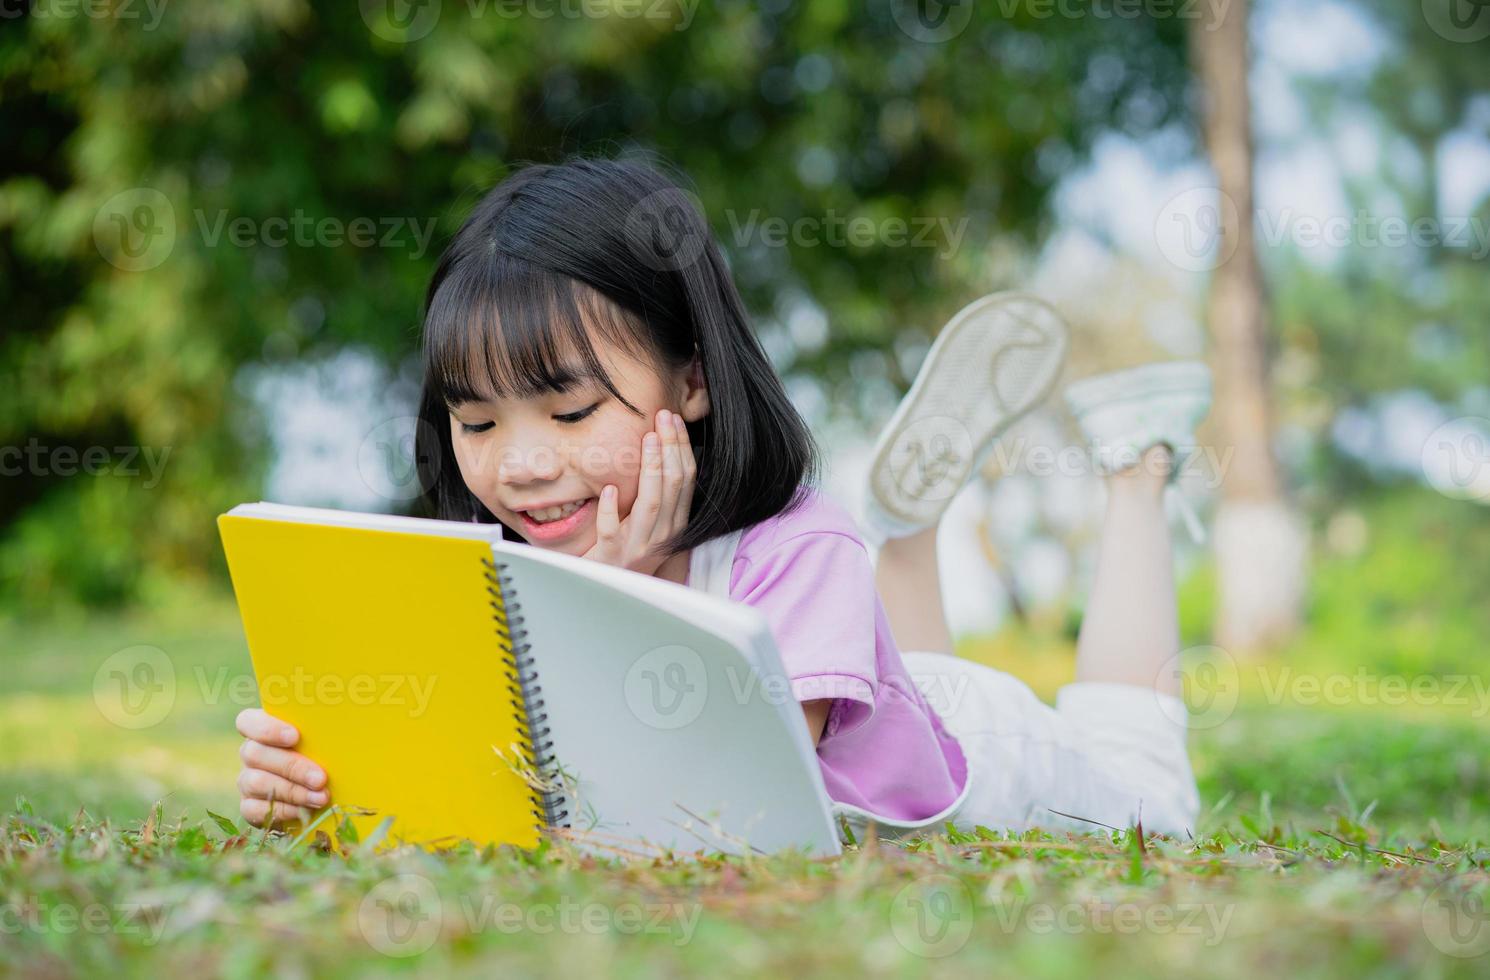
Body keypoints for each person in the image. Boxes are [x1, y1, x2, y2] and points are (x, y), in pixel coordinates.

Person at [234, 157, 1208, 839]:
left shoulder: (793, 548)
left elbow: (748, 794)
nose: (519, 465)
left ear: (691, 382)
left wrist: (607, 605)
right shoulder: (483, 567)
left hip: (979, 751)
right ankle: (907, 533)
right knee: (905, 684)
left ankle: (1135, 463)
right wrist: (317, 779)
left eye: (569, 410)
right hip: (893, 712)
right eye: (477, 423)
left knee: (1144, 780)